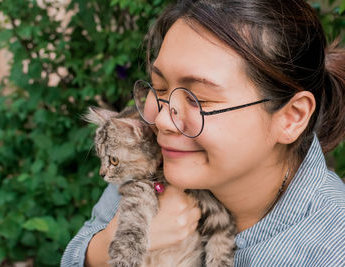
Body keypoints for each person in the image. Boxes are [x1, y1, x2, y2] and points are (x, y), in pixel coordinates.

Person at [61, 0, 345, 266]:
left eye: (199, 98)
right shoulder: (152, 161)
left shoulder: (331, 248)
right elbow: (84, 245)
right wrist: (106, 248)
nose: (162, 120)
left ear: (291, 117)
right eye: (159, 88)